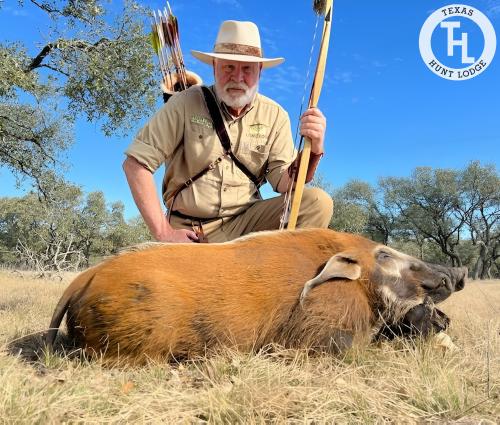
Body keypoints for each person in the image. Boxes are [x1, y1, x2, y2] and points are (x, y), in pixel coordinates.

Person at [123, 20, 333, 243]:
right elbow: (135, 164)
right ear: (214, 66)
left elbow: (285, 183)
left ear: (259, 71)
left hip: (247, 222)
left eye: (247, 69)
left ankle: (283, 276)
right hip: (191, 228)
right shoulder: (183, 103)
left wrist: (314, 149)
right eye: (228, 67)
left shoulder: (275, 115)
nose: (238, 77)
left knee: (318, 203)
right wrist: (163, 232)